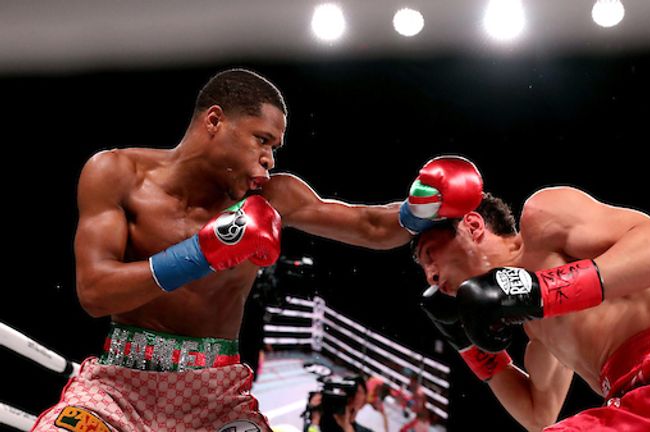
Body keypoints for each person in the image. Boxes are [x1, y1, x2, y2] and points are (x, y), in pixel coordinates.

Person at [30, 68, 482, 432]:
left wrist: (421, 207)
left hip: (215, 399)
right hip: (118, 388)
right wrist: (202, 252)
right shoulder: (116, 174)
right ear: (214, 121)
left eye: (276, 147)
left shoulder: (271, 197)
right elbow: (94, 292)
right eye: (261, 140)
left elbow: (367, 224)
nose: (270, 158)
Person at [415, 187, 650, 431]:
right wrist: (467, 345)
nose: (430, 275)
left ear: (472, 225)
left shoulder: (545, 221)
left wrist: (543, 291)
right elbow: (539, 414)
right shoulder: (533, 326)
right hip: (635, 407)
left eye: (430, 255)